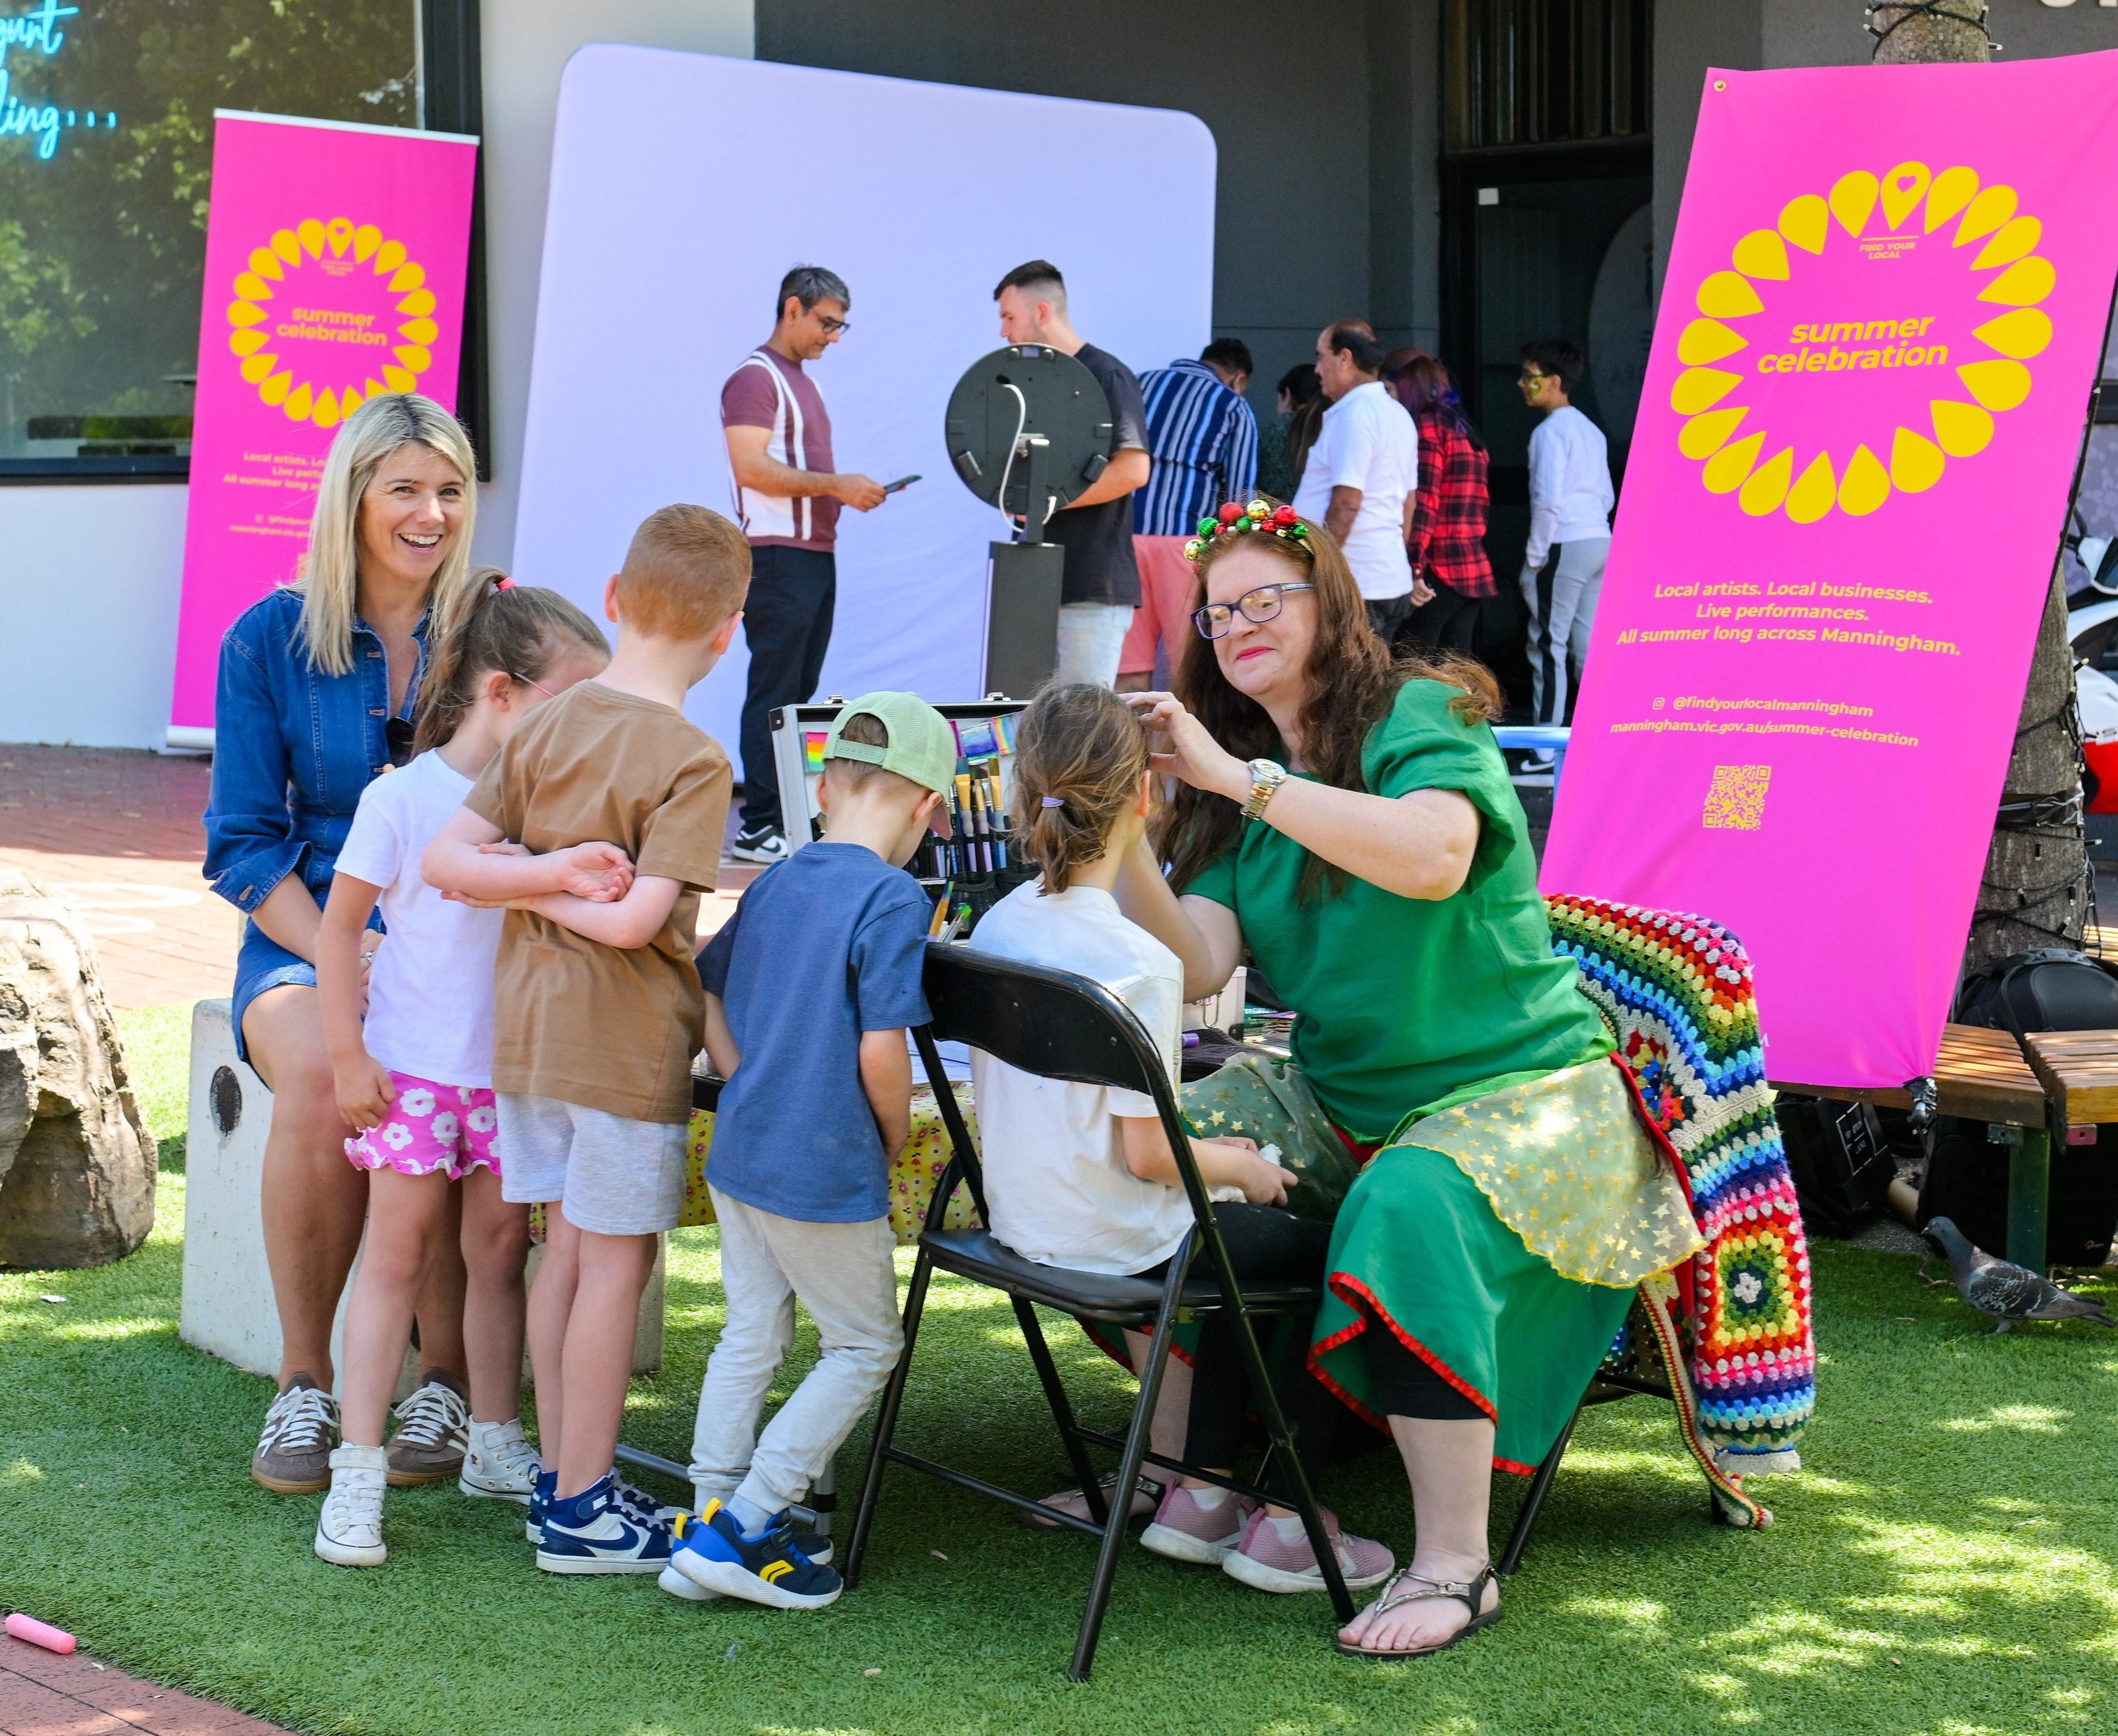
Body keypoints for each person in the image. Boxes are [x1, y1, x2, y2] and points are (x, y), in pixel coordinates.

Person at [1115, 503, 1703, 1657]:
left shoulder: (1415, 715)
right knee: (1149, 1141)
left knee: (1414, 1194)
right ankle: (1191, 1474)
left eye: (1262, 599)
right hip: (1340, 1099)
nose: (1235, 624)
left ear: (1328, 601)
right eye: (1216, 608)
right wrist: (1113, 832)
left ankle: (1455, 1563)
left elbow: (1434, 858)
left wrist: (1243, 782)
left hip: (1529, 1091)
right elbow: (1195, 963)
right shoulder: (1245, 791)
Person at [967, 682, 1395, 1595]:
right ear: (1143, 800)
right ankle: (1284, 1516)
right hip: (1117, 1239)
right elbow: (1151, 1159)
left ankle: (1197, 1494)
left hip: (1017, 1221)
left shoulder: (997, 923)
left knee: (1239, 1241)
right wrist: (1242, 1163)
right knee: (1330, 1249)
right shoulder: (1137, 961)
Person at [423, 504, 744, 1574]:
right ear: (728, 632)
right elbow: (634, 922)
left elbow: (450, 865)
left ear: (614, 598)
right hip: (618, 1048)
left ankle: (565, 1482)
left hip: (530, 1041)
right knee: (615, 1265)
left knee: (563, 1250)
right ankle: (583, 1507)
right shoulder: (696, 760)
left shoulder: (551, 722)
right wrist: (567, 882)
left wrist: (536, 878)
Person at [204, 392, 486, 1497]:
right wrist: (338, 956)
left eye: (451, 492)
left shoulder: (496, 630)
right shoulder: (269, 639)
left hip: (463, 932)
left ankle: (449, 1379)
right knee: (327, 1071)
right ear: (353, 497)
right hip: (298, 935)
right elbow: (241, 845)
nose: (431, 514)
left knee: (462, 1068)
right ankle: (305, 1381)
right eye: (405, 490)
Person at [311, 578, 611, 1568]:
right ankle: (358, 1471)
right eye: (570, 702)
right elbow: (340, 929)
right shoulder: (401, 799)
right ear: (501, 692)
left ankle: (494, 1440)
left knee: (495, 1253)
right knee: (393, 1259)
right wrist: (349, 1055)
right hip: (412, 1077)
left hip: (511, 1081)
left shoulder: (548, 803)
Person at [666, 693, 953, 1611]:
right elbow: (881, 1050)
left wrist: (751, 1075)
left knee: (751, 1331)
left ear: (827, 786)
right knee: (865, 1345)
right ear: (930, 809)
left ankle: (706, 1508)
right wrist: (891, 1131)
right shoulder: (896, 896)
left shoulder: (779, 880)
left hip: (743, 1145)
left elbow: (703, 991)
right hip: (820, 1162)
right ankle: (750, 1520)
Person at [724, 265, 888, 865]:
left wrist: (840, 492)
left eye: (841, 327)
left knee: (798, 693)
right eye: (827, 322)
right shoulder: (755, 377)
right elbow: (750, 467)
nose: (833, 337)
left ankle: (785, 817)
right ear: (792, 308)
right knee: (775, 694)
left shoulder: (800, 380)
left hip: (811, 555)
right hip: (775, 555)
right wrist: (838, 485)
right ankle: (759, 825)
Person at [994, 260, 1151, 687]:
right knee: (1022, 720)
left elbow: (1134, 469)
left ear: (1042, 312)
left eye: (1009, 317)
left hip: (1089, 586)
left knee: (1081, 724)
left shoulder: (1107, 375)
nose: (1003, 332)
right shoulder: (1027, 383)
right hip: (1031, 582)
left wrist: (1045, 501)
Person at [1121, 340, 1260, 692]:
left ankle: (1128, 747)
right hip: (1184, 546)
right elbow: (1240, 499)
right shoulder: (1233, 405)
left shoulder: (1138, 385)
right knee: (1192, 670)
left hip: (1122, 543)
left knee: (1129, 673)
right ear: (1238, 378)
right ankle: (1185, 746)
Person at [1293, 321, 1418, 645]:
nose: (1317, 369)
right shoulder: (1397, 413)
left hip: (1355, 586)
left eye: (1321, 357)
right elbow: (1409, 503)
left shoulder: (1356, 414)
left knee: (1348, 691)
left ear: (1345, 358)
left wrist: (1322, 572)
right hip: (1385, 580)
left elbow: (1347, 503)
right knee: (1369, 687)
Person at [1518, 337, 1614, 754]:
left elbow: (1547, 500)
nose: (1521, 384)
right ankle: (1596, 738)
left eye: (1529, 376)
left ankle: (1545, 749)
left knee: (1547, 643)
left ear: (1553, 381)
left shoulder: (1549, 433)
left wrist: (1535, 557)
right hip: (1599, 538)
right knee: (1587, 645)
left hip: (1564, 543)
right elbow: (1608, 496)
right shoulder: (1590, 429)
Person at [1386, 350, 1494, 656]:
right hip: (1470, 565)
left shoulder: (1427, 427)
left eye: (1390, 390)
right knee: (1458, 677)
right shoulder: (1461, 425)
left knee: (1413, 670)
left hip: (1438, 567)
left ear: (1407, 388)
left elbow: (1424, 502)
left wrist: (1414, 568)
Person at [1257, 362, 1323, 502]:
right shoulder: (1332, 428)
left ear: (1287, 395)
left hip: (1277, 518)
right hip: (1320, 521)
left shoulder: (1272, 434)